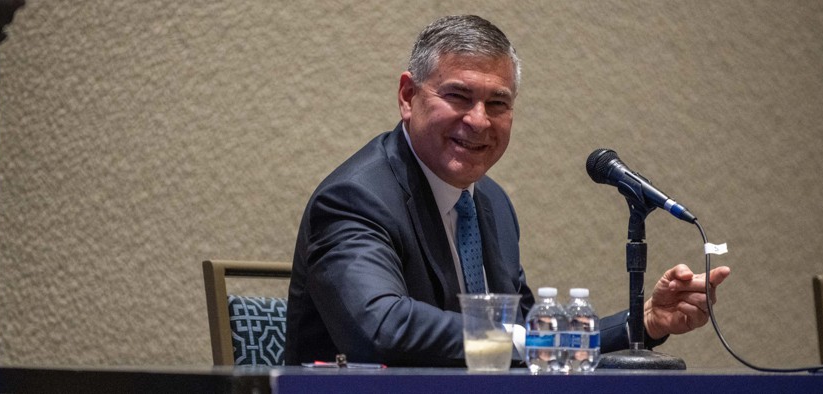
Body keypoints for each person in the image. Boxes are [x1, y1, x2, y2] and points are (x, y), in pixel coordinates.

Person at [284, 15, 730, 367]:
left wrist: (645, 321)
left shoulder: (490, 202)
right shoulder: (355, 199)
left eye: (497, 103)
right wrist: (524, 338)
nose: (478, 120)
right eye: (458, 96)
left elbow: (527, 337)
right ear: (407, 96)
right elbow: (380, 327)